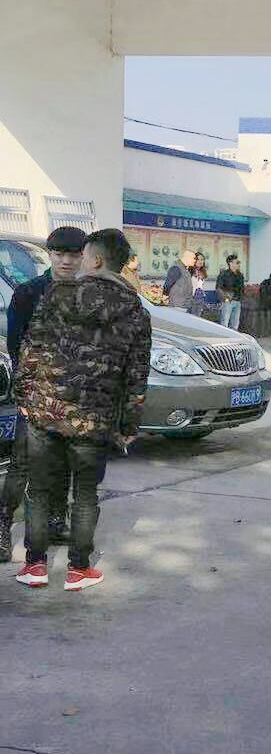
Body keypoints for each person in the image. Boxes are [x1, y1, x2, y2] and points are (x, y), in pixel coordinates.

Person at [14, 228, 151, 590]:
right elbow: (136, 376)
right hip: (94, 418)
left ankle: (35, 566)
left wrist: (24, 398)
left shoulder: (59, 293)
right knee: (86, 495)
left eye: (84, 255)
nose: (76, 261)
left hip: (46, 412)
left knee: (39, 491)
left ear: (96, 260)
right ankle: (78, 570)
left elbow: (31, 350)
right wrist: (128, 425)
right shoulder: (136, 310)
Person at [0, 227, 86, 564]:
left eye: (73, 255)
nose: (66, 261)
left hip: (74, 396)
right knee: (22, 465)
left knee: (64, 462)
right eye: (59, 254)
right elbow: (16, 347)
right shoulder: (28, 293)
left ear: (82, 257)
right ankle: (2, 528)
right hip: (36, 394)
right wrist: (25, 395)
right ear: (49, 255)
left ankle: (55, 522)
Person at [216, 254, 246, 331]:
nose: (238, 264)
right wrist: (225, 299)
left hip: (238, 301)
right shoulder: (224, 274)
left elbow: (242, 288)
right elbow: (218, 288)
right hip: (228, 301)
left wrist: (241, 298)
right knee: (224, 324)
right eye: (237, 262)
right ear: (230, 263)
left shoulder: (240, 275)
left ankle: (233, 337)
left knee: (235, 324)